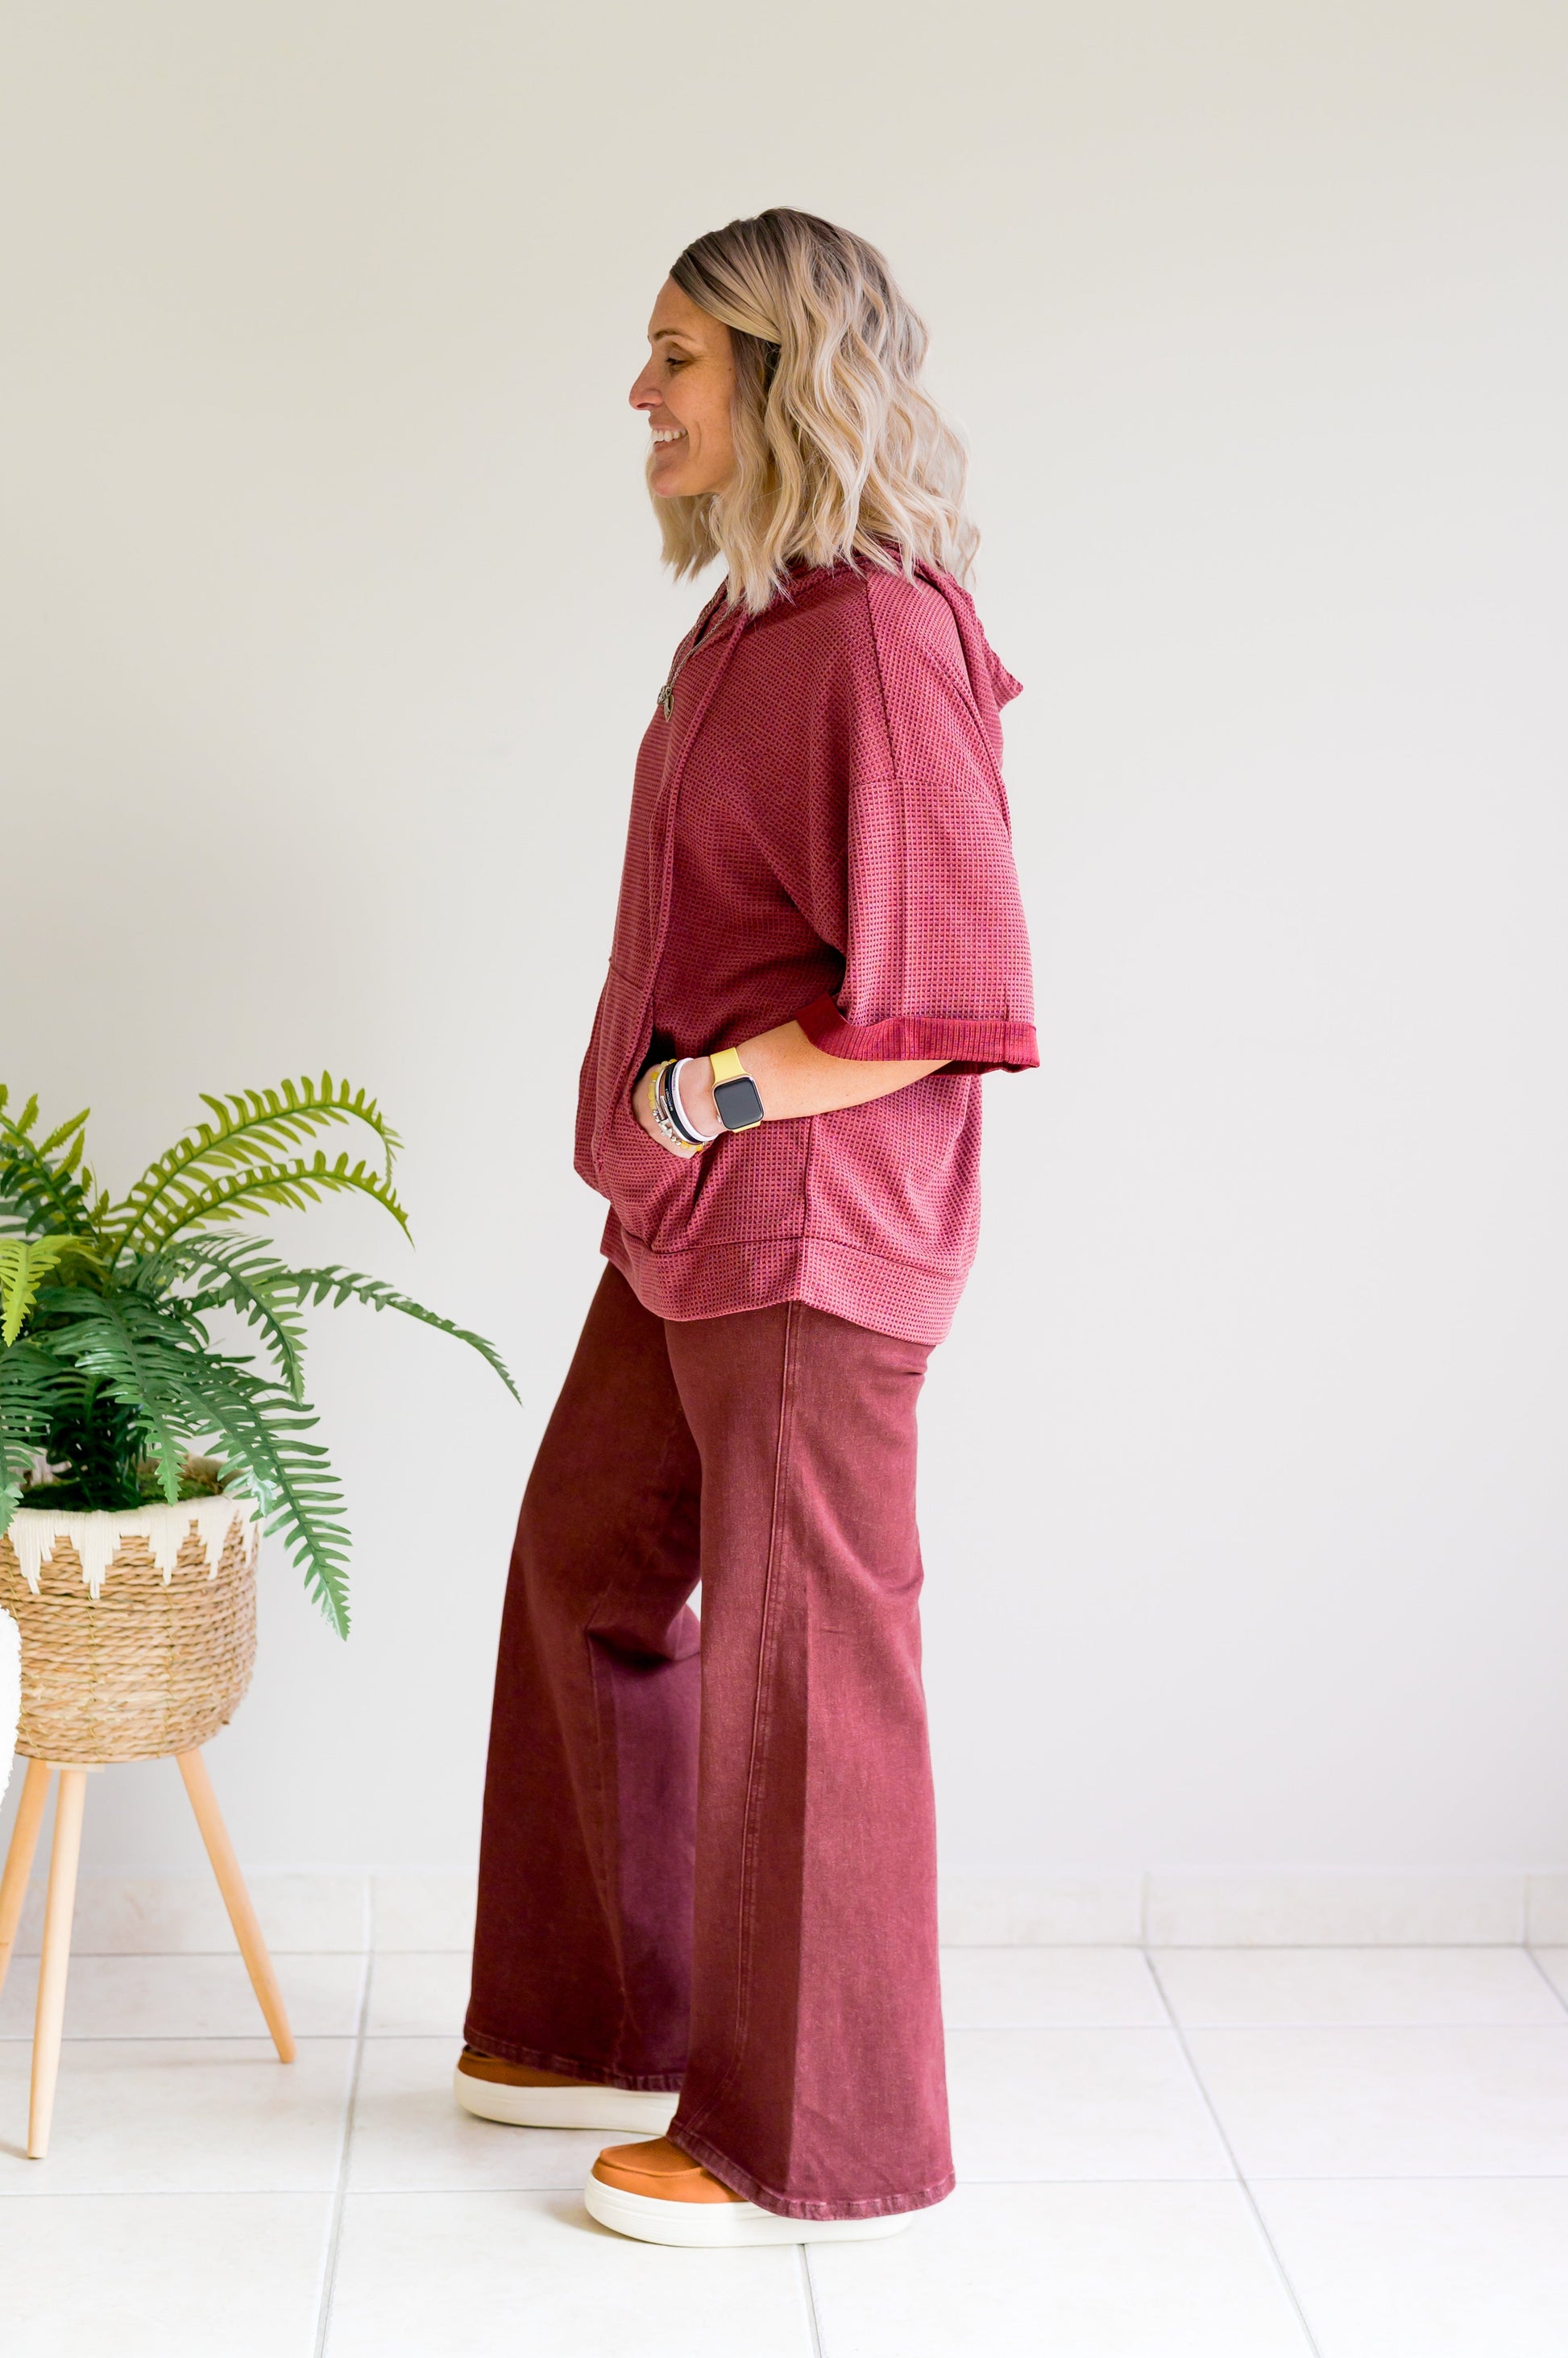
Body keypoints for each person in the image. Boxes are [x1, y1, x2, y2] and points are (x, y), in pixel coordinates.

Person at [458, 207, 1037, 2248]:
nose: (639, 390)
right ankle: (610, 2014)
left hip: (807, 1224)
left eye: (678, 354)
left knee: (809, 1659)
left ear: (786, 374)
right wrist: (665, 1143)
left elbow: (950, 991)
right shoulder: (748, 623)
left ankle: (811, 2136)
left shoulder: (877, 630)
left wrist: (705, 1098)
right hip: (690, 1222)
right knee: (586, 1557)